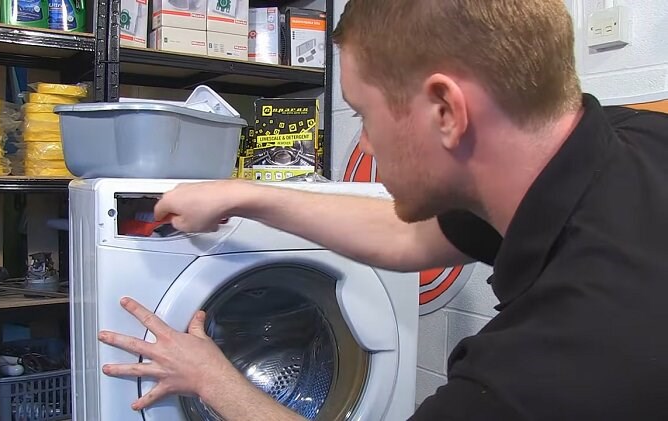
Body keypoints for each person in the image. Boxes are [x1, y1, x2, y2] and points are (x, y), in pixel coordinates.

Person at [96, 0, 668, 419]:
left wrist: (212, 379)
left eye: (363, 113)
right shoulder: (632, 138)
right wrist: (245, 196)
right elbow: (409, 240)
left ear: (446, 109)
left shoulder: (550, 373)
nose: (363, 145)